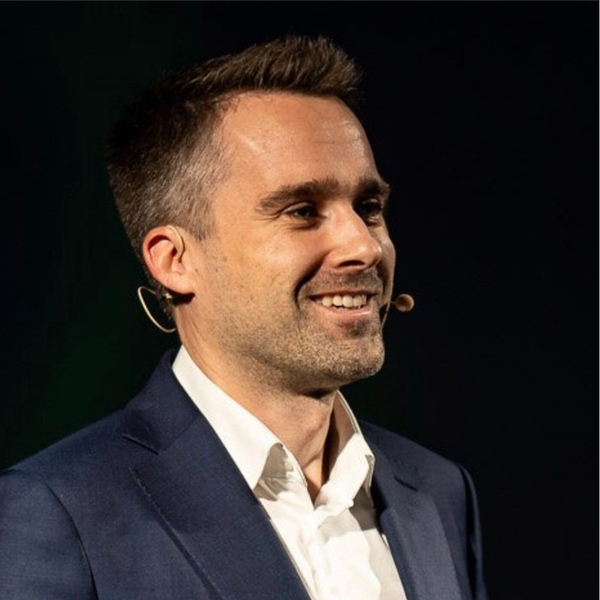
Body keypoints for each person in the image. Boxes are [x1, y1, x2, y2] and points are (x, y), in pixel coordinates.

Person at [0, 36, 487, 600]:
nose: (364, 246)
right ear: (175, 260)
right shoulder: (59, 512)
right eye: (302, 211)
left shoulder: (438, 491)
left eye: (369, 207)